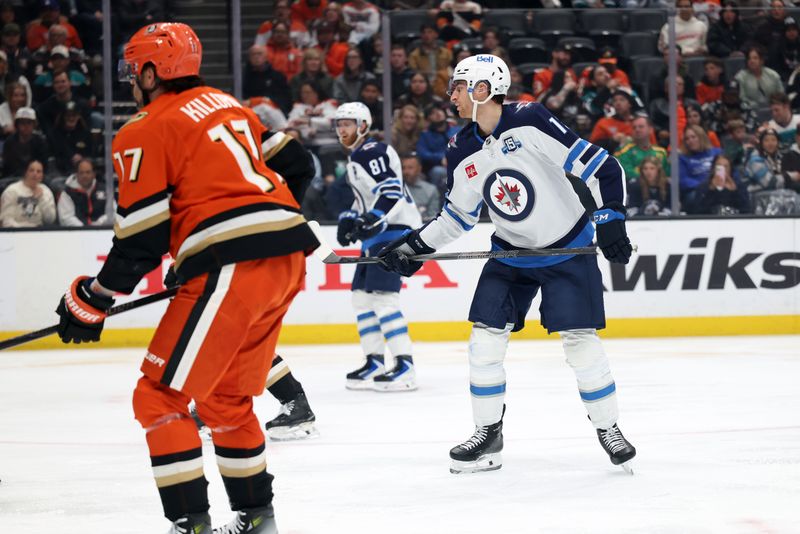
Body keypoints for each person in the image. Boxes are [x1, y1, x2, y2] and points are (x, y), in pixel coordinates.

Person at [52, 23, 319, 533]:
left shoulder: (144, 129)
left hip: (232, 264)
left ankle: (190, 525)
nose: (132, 80)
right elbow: (299, 163)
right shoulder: (227, 104)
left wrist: (94, 298)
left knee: (157, 397)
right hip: (287, 256)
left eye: (135, 70)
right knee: (225, 400)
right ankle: (258, 520)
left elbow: (141, 239)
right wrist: (264, 226)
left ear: (152, 71)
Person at [378, 54, 637, 475]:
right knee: (484, 341)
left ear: (483, 89)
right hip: (510, 254)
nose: (452, 95)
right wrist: (415, 247)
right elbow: (457, 219)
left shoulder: (530, 120)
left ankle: (609, 428)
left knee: (580, 342)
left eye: (459, 86)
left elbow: (603, 168)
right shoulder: (460, 147)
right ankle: (488, 435)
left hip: (567, 249)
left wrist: (611, 217)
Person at [334, 101, 422, 391]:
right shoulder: (357, 156)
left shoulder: (372, 151)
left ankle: (405, 364)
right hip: (379, 233)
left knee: (384, 298)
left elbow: (391, 190)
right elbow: (366, 198)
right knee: (362, 297)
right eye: (338, 123)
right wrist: (351, 217)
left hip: (393, 231)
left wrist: (372, 218)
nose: (340, 128)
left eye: (347, 123)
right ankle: (374, 360)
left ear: (362, 126)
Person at [57, 158, 112, 226]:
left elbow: (113, 213)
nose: (84, 176)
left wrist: (99, 223)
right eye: (81, 173)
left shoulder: (105, 190)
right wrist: (84, 229)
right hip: (76, 233)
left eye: (88, 172)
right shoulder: (67, 193)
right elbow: (66, 218)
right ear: (76, 174)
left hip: (103, 231)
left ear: (94, 174)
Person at [679, 124, 722, 210]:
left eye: (693, 137)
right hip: (697, 191)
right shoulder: (682, 158)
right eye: (687, 139)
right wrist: (705, 186)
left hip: (718, 187)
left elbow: (726, 171)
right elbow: (683, 180)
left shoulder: (717, 152)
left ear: (701, 137)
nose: (690, 141)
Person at [0, 159, 55, 227]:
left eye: (39, 171)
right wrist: (26, 228)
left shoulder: (46, 191)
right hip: (16, 233)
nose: (35, 174)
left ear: (42, 176)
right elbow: (6, 221)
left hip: (39, 232)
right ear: (26, 173)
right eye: (31, 170)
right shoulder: (12, 191)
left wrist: (42, 198)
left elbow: (50, 220)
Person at [614, 115, 670, 180]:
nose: (637, 130)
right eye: (634, 128)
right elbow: (628, 174)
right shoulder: (623, 152)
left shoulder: (661, 152)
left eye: (641, 127)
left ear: (650, 129)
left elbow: (667, 174)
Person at [2, 106, 49, 177]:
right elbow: (8, 166)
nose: (26, 126)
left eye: (29, 123)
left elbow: (43, 164)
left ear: (34, 125)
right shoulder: (9, 142)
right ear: (17, 125)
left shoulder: (40, 141)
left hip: (36, 176)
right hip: (14, 177)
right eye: (22, 123)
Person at [401, 152, 441, 220]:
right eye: (403, 168)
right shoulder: (396, 189)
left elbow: (433, 219)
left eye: (410, 168)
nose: (406, 172)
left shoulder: (431, 190)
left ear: (419, 169)